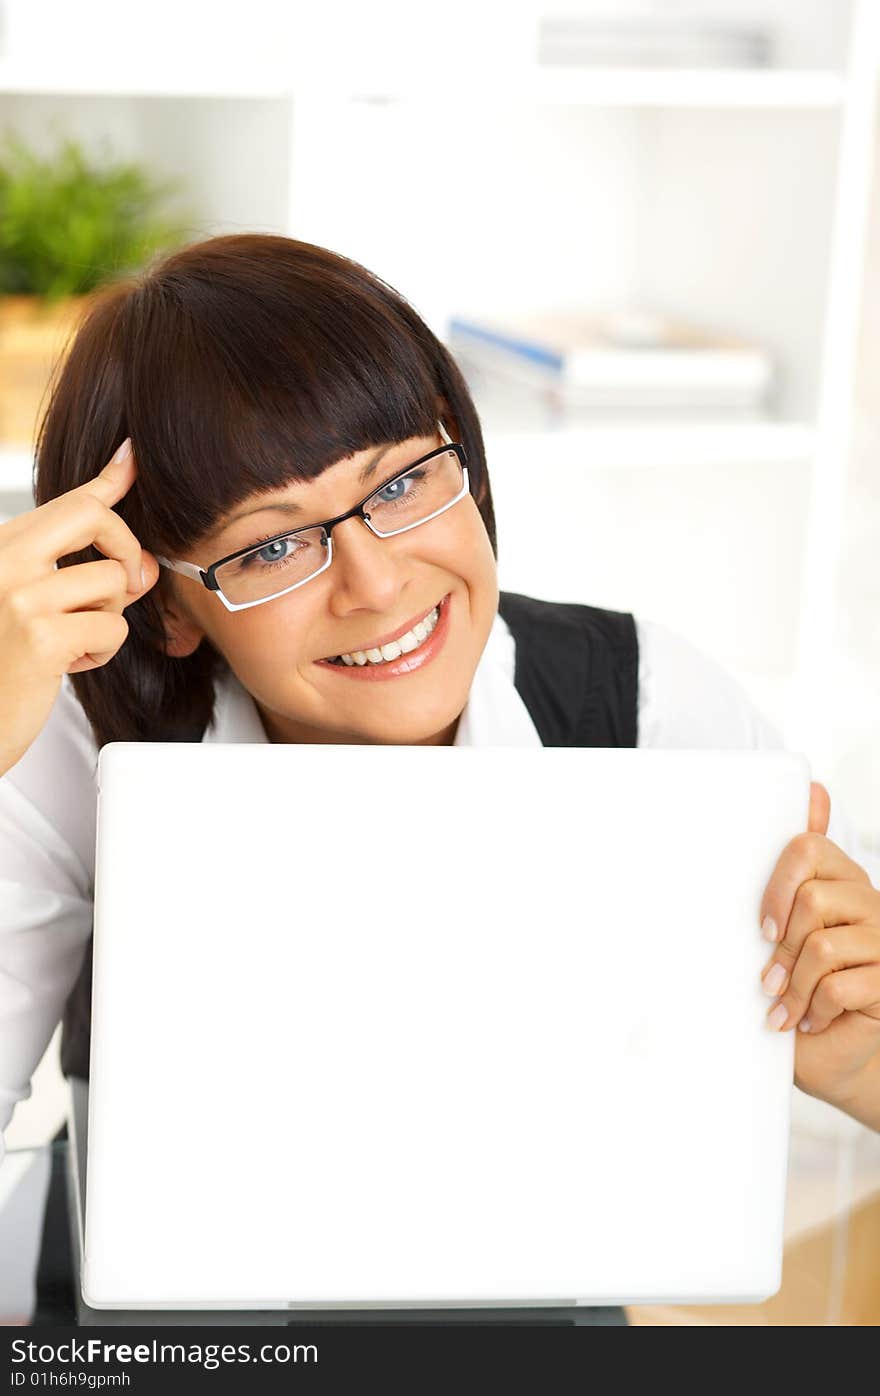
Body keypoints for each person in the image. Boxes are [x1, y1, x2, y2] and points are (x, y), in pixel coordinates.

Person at [0, 234, 879, 1313]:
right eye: (270, 547)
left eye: (405, 482)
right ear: (165, 605)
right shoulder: (76, 739)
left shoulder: (644, 703)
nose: (376, 581)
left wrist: (858, 1068)